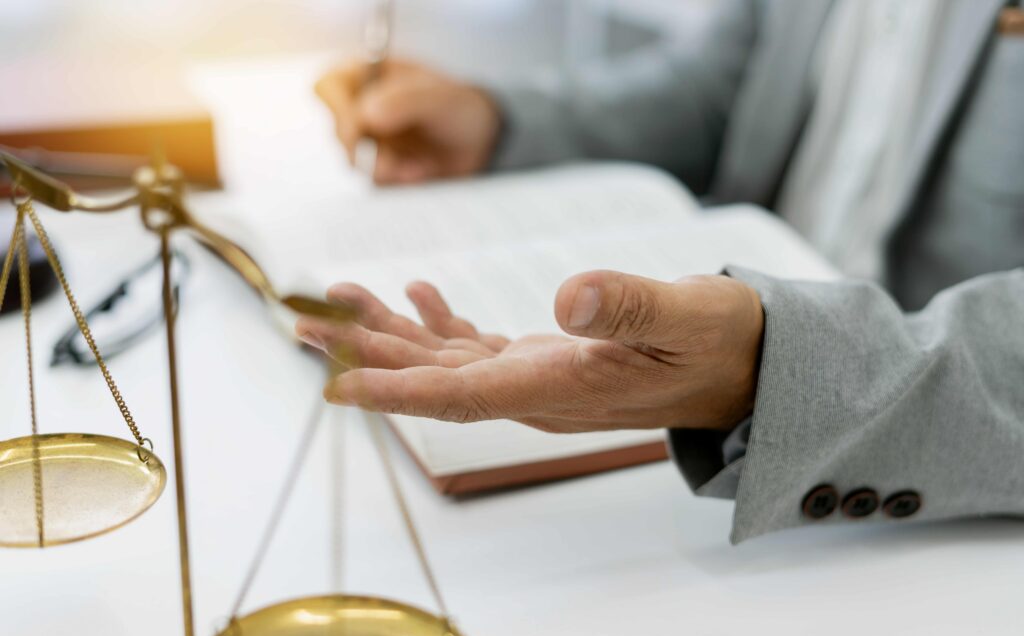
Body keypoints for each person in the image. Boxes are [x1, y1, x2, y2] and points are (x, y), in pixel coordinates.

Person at [299, 0, 1024, 543]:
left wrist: (779, 369)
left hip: (944, 512)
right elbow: (722, 91)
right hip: (711, 448)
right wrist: (499, 123)